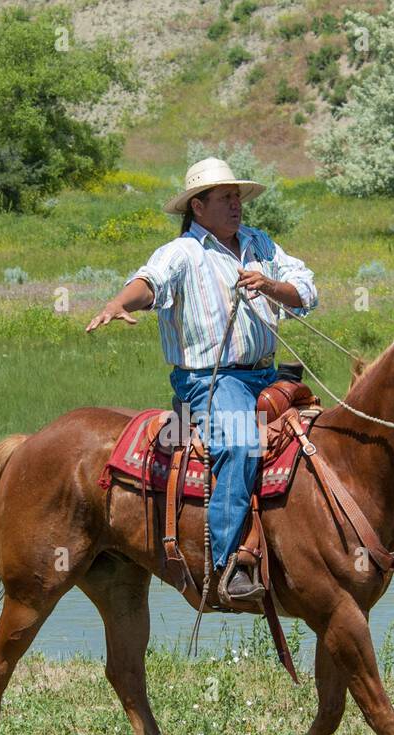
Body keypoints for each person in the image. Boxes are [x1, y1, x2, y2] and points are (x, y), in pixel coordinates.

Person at [86, 157, 318, 603]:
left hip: (267, 374)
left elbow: (306, 289)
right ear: (198, 206)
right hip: (209, 382)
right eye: (225, 198)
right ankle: (227, 563)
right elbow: (149, 284)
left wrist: (271, 286)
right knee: (240, 442)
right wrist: (121, 302)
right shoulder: (182, 254)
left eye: (237, 197)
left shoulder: (261, 245)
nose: (236, 205)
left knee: (316, 437)